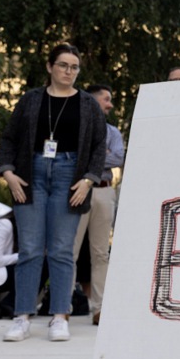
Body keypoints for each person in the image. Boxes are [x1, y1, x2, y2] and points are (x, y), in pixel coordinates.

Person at [0, 43, 107, 342]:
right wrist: (9, 174)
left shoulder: (87, 104)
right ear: (50, 67)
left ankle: (59, 316)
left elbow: (99, 145)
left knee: (61, 250)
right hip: (30, 175)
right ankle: (21, 317)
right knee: (30, 249)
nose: (68, 72)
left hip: (69, 177)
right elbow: (8, 138)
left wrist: (88, 180)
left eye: (74, 67)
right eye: (63, 65)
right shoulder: (31, 100)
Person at [72, 84, 125, 325]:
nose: (110, 104)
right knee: (68, 252)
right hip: (76, 190)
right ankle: (62, 306)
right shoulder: (76, 126)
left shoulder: (112, 131)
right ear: (92, 101)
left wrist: (92, 156)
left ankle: (99, 309)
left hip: (104, 191)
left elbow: (119, 157)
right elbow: (74, 159)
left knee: (101, 252)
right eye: (106, 99)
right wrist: (99, 154)